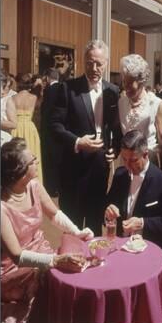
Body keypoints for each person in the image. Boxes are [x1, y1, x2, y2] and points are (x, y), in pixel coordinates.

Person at [0, 138, 94, 323]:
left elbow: (54, 214)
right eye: (33, 160)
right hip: (14, 268)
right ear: (20, 170)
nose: (37, 161)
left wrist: (77, 231)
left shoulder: (33, 185)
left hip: (41, 250)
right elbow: (17, 256)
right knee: (53, 279)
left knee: (72, 271)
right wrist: (56, 260)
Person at [50, 39, 120, 235]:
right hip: (73, 167)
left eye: (99, 63)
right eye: (89, 62)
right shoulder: (67, 88)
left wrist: (114, 150)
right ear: (83, 62)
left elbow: (115, 128)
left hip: (99, 168)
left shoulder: (112, 91)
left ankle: (95, 263)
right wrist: (78, 142)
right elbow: (54, 126)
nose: (94, 68)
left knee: (94, 223)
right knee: (72, 225)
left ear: (106, 63)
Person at [105, 130, 162, 263]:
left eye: (133, 160)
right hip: (120, 247)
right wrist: (108, 210)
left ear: (146, 154)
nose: (127, 165)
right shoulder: (120, 174)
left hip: (149, 249)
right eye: (124, 159)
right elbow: (107, 204)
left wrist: (142, 223)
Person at [119, 54, 162, 168]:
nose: (126, 86)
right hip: (126, 161)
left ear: (141, 81)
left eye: (130, 83)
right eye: (124, 81)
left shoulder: (155, 103)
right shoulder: (121, 102)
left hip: (147, 161)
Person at [6, 73, 44, 184]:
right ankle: (35, 184)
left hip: (17, 128)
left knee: (17, 158)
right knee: (33, 157)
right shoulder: (34, 97)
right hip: (30, 128)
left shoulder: (12, 98)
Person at [40, 68, 61, 197]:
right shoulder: (64, 87)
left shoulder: (48, 90)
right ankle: (59, 186)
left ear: (47, 78)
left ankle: (51, 188)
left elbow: (45, 112)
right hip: (61, 130)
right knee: (59, 159)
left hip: (49, 131)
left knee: (49, 160)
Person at [0, 71, 16, 145]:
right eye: (2, 87)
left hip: (3, 138)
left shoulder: (7, 100)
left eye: (5, 87)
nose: (3, 91)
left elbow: (14, 124)